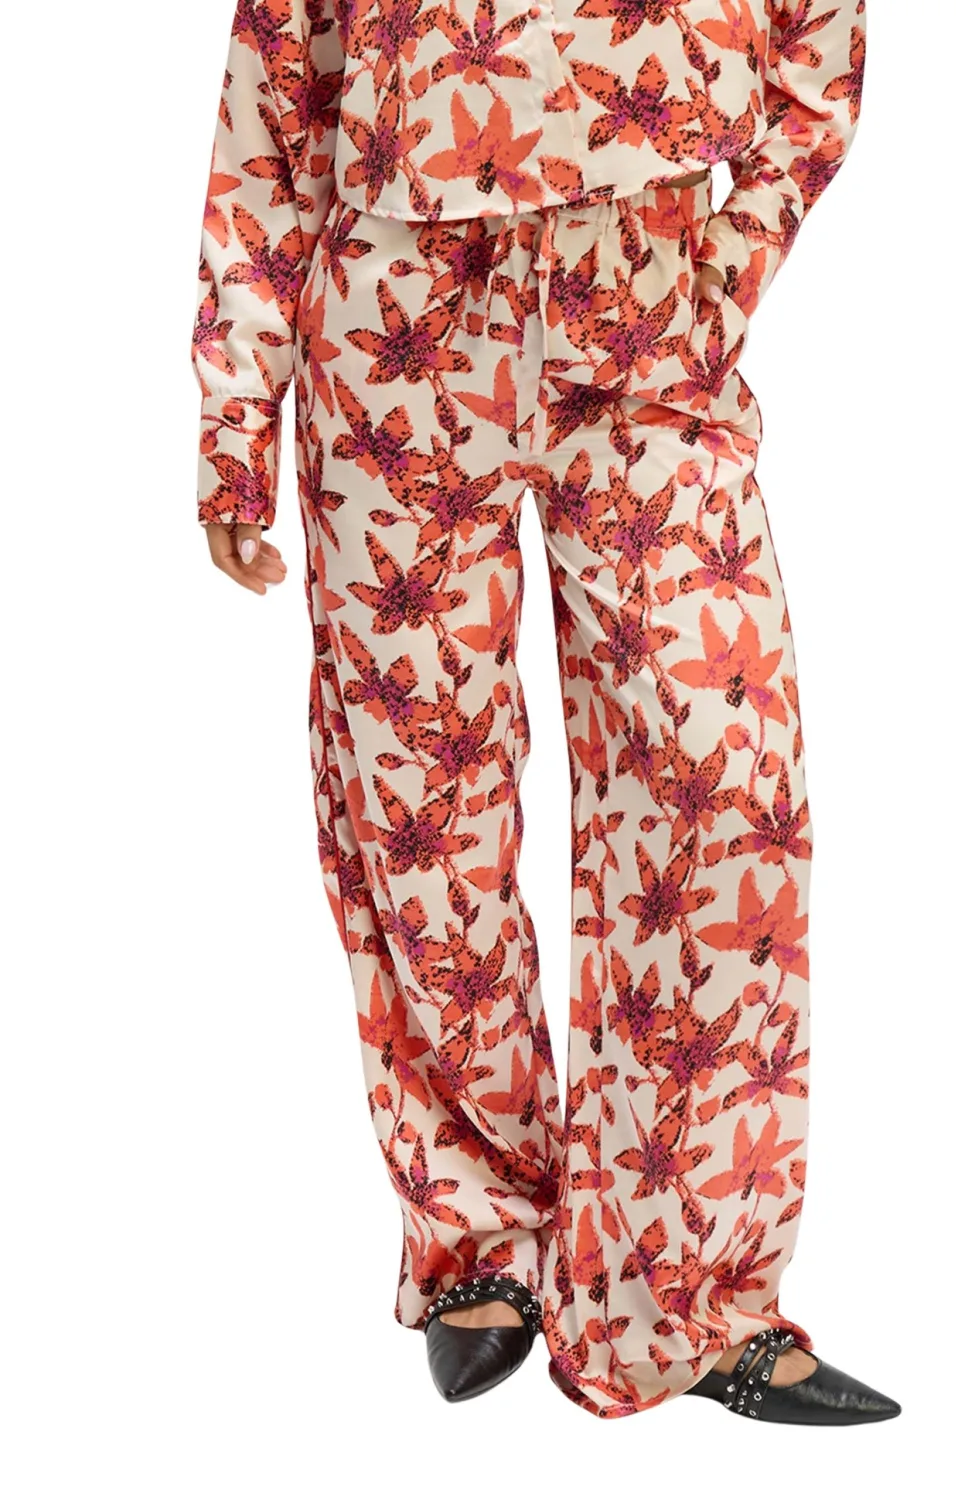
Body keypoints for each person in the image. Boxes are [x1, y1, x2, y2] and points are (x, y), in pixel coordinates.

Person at [192, 0, 897, 1425]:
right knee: (417, 794)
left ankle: (683, 1297)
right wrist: (233, 411)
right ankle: (481, 1232)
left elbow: (818, 45)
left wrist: (723, 266)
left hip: (643, 289)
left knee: (721, 780)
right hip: (393, 308)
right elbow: (278, 84)